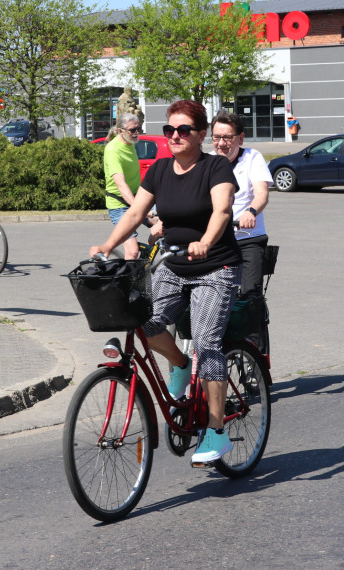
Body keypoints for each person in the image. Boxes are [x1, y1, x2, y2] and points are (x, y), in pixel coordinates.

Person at [90, 99, 241, 465]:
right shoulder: (159, 170)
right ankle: (179, 364)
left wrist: (206, 241)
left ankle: (216, 432)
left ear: (201, 135)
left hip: (215, 267)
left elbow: (222, 210)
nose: (174, 135)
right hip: (173, 265)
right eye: (169, 129)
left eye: (183, 130)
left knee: (206, 342)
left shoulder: (216, 167)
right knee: (143, 321)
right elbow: (135, 213)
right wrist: (107, 246)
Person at [210, 110, 273, 296]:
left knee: (250, 295)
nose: (221, 143)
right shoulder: (206, 162)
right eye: (216, 137)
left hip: (247, 239)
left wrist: (250, 211)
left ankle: (254, 310)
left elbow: (261, 194)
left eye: (228, 138)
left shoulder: (252, 157)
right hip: (215, 240)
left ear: (241, 138)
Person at [103, 112, 143, 259]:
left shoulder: (131, 143)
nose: (137, 132)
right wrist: (139, 207)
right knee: (132, 251)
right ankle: (128, 275)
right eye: (132, 130)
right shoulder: (113, 150)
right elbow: (121, 185)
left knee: (163, 225)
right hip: (119, 203)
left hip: (136, 198)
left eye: (138, 128)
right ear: (120, 131)